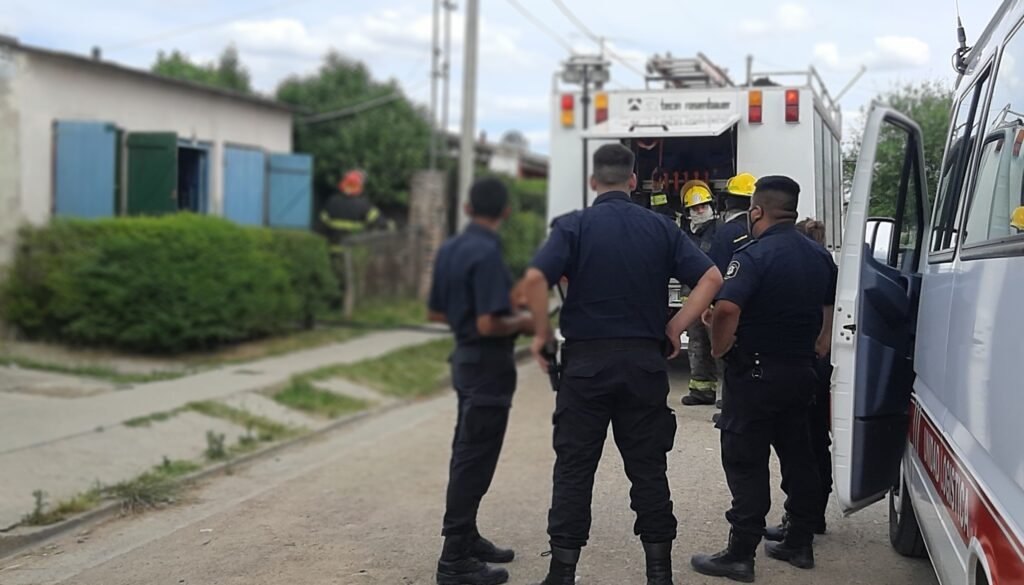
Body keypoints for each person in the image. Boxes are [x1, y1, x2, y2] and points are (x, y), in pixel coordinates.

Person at [518, 144, 724, 585]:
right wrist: (675, 327)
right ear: (633, 181)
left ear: (593, 182)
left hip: (585, 366)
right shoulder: (661, 228)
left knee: (574, 469)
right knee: (648, 469)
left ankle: (562, 573)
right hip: (643, 364)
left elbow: (535, 280)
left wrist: (540, 334)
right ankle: (659, 573)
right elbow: (711, 278)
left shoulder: (572, 226)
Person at [691, 176, 837, 582]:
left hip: (755, 374)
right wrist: (821, 341)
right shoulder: (818, 255)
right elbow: (828, 304)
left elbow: (726, 309)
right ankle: (799, 541)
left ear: (756, 211)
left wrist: (719, 347)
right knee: (799, 455)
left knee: (746, 461)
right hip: (802, 372)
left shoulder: (752, 256)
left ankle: (741, 554)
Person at [428, 177, 534, 585]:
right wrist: (525, 322)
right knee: (475, 460)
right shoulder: (488, 252)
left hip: (465, 362)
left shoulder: (450, 249)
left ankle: (467, 535)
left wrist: (470, 319)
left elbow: (437, 313)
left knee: (466, 452)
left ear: (468, 208)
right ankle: (454, 558)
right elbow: (490, 323)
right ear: (505, 211)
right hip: (489, 366)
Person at [765, 218, 835, 542]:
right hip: (821, 363)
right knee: (818, 441)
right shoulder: (827, 267)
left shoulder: (795, 270)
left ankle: (799, 518)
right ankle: (815, 514)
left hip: (798, 363)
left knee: (797, 445)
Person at [705, 172, 757, 423]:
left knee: (729, 357)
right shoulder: (758, 229)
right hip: (754, 305)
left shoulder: (726, 232)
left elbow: (714, 271)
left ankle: (730, 409)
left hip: (729, 302)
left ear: (727, 201)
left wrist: (710, 305)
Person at [679, 180, 721, 406]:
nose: (700, 210)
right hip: (692, 298)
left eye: (703, 206)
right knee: (696, 345)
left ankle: (730, 395)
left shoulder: (720, 231)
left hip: (715, 299)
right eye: (695, 208)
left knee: (721, 344)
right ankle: (701, 390)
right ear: (687, 212)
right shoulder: (685, 234)